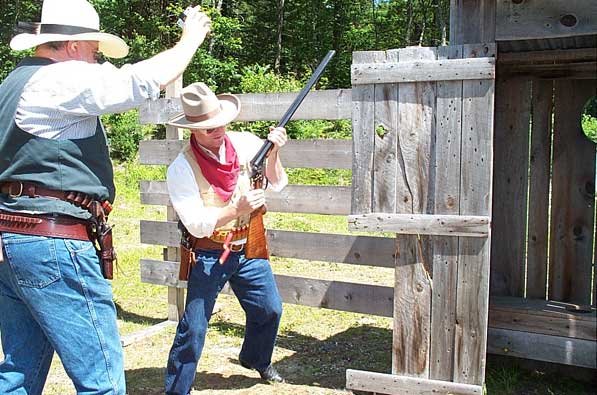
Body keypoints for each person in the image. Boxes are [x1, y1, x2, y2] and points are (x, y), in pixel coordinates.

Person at [0, 0, 211, 394]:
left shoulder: (11, 85)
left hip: (17, 239)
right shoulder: (55, 80)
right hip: (53, 240)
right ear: (75, 46)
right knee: (102, 380)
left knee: (19, 372)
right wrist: (189, 41)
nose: (98, 60)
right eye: (95, 51)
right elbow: (138, 82)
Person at [164, 82, 287, 394]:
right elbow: (196, 224)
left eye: (219, 123)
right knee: (194, 326)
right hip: (208, 252)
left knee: (270, 309)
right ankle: (178, 389)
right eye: (208, 128)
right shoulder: (181, 168)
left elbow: (278, 182)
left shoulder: (245, 143)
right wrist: (235, 208)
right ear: (193, 130)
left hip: (248, 244)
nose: (217, 130)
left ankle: (256, 359)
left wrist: (274, 153)